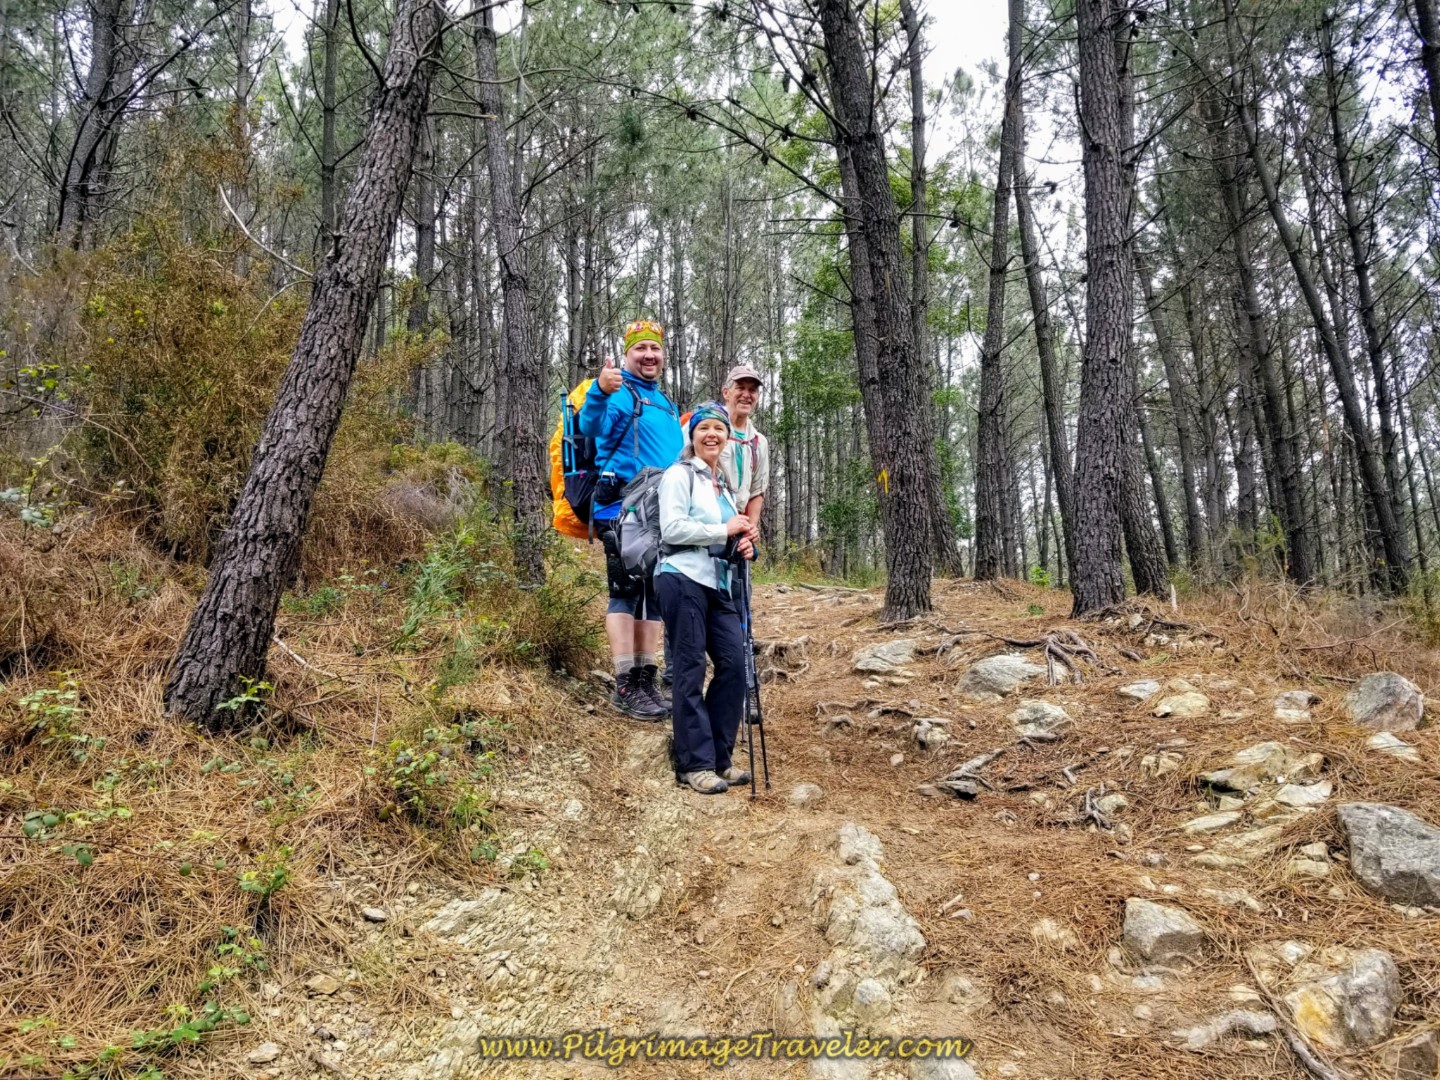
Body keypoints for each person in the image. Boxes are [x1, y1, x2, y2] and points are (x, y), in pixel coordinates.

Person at [578, 320, 682, 720]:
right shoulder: (620, 393)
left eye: (655, 349)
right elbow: (591, 425)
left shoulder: (665, 401)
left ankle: (646, 680)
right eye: (640, 349)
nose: (649, 355)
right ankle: (625, 684)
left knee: (652, 595)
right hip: (620, 507)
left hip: (658, 511)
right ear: (627, 354)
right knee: (625, 593)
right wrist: (601, 391)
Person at [655, 403, 759, 794]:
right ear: (692, 436)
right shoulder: (678, 475)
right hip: (681, 577)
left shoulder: (724, 488)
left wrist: (743, 543)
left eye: (720, 428)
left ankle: (719, 757)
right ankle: (694, 764)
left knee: (734, 665)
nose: (712, 434)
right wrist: (724, 528)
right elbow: (673, 527)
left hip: (718, 583)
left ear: (727, 439)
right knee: (690, 667)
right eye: (704, 429)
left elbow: (727, 535)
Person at [720, 364, 770, 529]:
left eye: (752, 390)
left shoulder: (758, 442)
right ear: (726, 392)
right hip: (704, 521)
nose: (746, 395)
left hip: (738, 524)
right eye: (740, 388)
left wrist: (751, 528)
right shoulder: (705, 426)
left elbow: (757, 489)